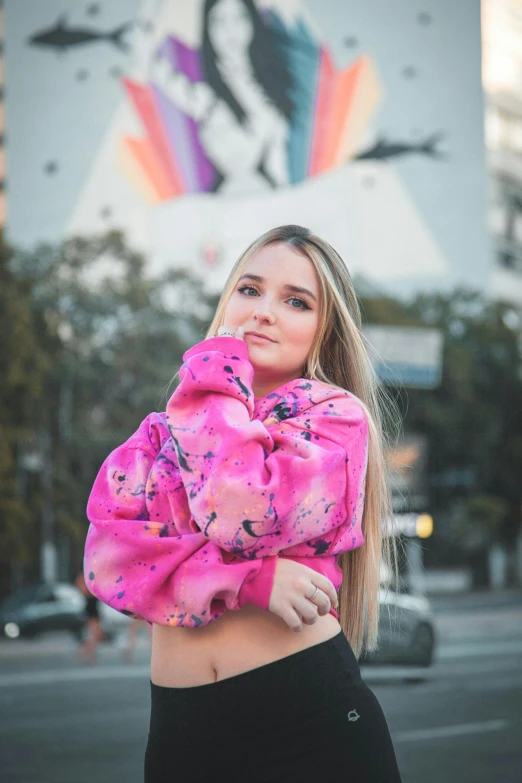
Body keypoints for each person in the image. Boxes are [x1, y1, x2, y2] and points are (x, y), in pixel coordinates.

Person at [84, 224, 403, 782]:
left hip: (306, 719)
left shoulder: (334, 420)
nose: (263, 311)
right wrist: (252, 582)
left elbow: (239, 512)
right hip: (182, 731)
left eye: (296, 301)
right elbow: (109, 561)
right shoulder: (163, 431)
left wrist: (215, 375)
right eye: (249, 290)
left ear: (324, 331)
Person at [149, 0, 293, 194]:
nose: (230, 29)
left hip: (269, 198)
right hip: (228, 202)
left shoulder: (270, 92)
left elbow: (278, 152)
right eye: (219, 21)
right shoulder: (205, 98)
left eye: (239, 18)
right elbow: (165, 77)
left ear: (252, 23)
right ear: (207, 29)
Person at [74, 570, 104, 665]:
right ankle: (86, 652)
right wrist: (91, 591)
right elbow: (81, 588)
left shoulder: (92, 574)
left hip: (94, 607)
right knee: (95, 634)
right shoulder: (83, 576)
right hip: (91, 607)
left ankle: (86, 652)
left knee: (96, 635)